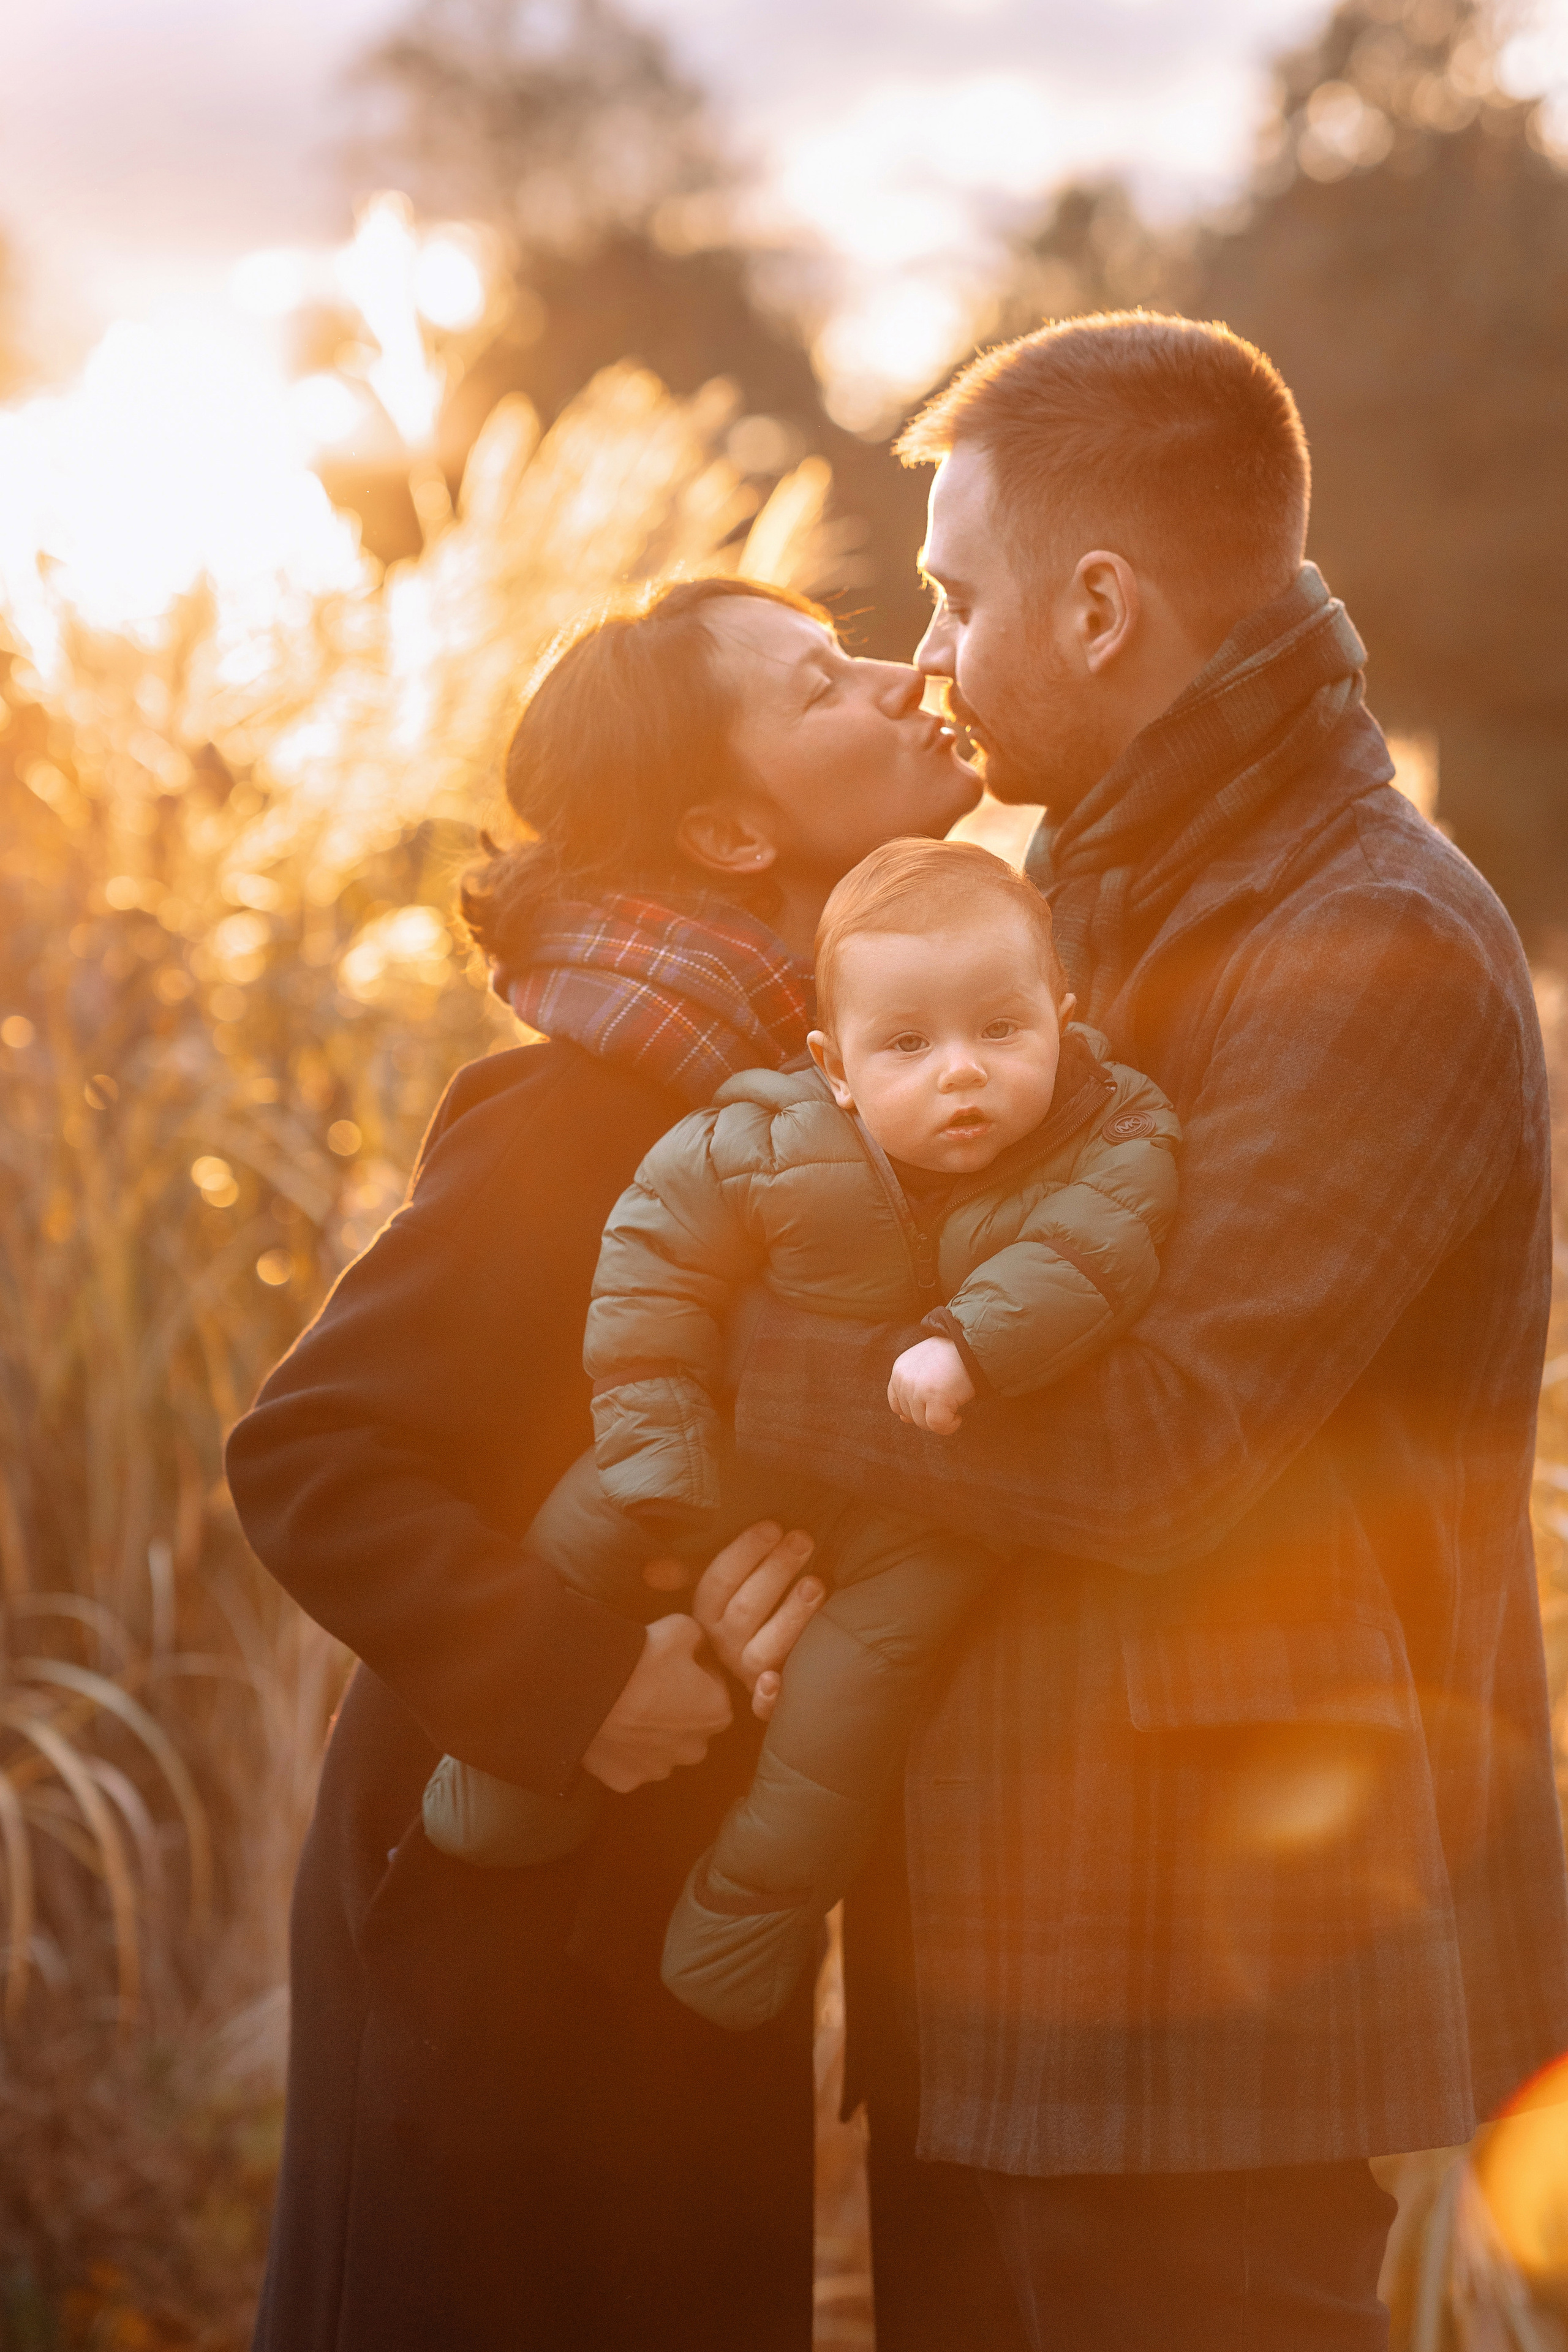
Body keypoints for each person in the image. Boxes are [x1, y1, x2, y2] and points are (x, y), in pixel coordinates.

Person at [733, 314, 1568, 2351]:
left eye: (952, 594)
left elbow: (1164, 1437)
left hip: (1203, 2008)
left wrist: (757, 1372)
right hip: (1012, 1967)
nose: (925, 656)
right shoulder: (1079, 905)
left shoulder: (1364, 940)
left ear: (1101, 608)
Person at [223, 574, 981, 2352]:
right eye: (824, 684)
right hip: (499, 1898)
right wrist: (580, 1685)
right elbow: (310, 1453)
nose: (904, 679)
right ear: (727, 827)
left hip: (673, 1906)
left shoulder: (859, 1105)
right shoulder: (581, 1115)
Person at [421, 836, 1180, 2035]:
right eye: (907, 1047)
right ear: (833, 1065)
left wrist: (970, 1343)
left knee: (844, 1721)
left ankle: (747, 1917)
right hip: (727, 1450)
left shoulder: (1109, 1132)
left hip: (919, 1520)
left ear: (1061, 1015)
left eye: (1000, 1030)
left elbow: (1095, 1250)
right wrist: (658, 1425)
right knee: (584, 1525)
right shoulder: (763, 1136)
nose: (961, 1075)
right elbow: (650, 1264)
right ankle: (505, 1779)